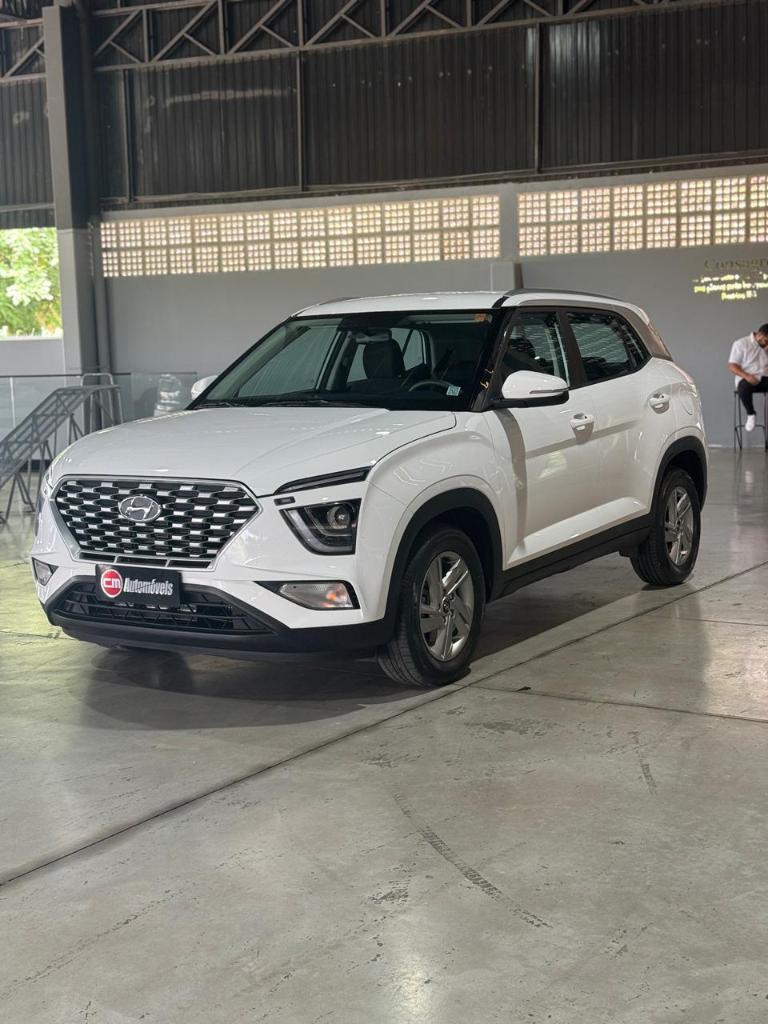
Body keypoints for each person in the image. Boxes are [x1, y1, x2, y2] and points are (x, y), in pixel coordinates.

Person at [729, 324, 768, 432]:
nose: (766, 344)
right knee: (743, 386)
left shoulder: (765, 346)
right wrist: (747, 376)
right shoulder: (741, 343)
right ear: (759, 335)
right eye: (766, 340)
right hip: (747, 378)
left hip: (764, 377)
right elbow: (732, 366)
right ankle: (751, 414)